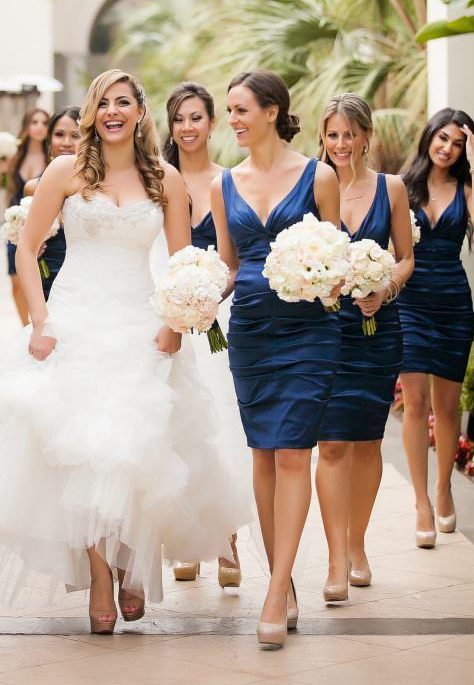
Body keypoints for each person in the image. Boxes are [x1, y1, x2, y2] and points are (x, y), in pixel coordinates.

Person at [0, 70, 238, 634]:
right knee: (83, 451)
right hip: (75, 320)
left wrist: (177, 324)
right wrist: (39, 321)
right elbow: (27, 250)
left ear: (140, 112)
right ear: (90, 112)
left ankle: (131, 560)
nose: (113, 112)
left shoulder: (165, 179)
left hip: (141, 322)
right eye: (103, 102)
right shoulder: (65, 171)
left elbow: (183, 264)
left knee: (133, 448)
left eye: (123, 102)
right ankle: (101, 575)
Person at [211, 69, 341, 649]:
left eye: (241, 110)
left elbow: (334, 255)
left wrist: (334, 281)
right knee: (262, 456)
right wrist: (193, 295)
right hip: (252, 334)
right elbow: (231, 264)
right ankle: (280, 580)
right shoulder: (223, 184)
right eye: (229, 111)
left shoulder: (320, 176)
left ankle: (276, 588)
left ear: (272, 111)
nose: (232, 121)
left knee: (293, 454)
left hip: (310, 331)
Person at [316, 94, 413, 599]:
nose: (340, 144)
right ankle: (335, 558)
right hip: (327, 332)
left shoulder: (391, 188)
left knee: (368, 441)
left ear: (365, 136)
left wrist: (384, 289)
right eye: (332, 135)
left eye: (348, 134)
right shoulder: (313, 185)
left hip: (379, 331)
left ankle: (358, 543)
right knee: (331, 443)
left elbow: (405, 258)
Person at [162, 82, 251, 588]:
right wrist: (176, 305)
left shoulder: (229, 181)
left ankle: (229, 543)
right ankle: (187, 541)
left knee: (221, 427)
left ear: (212, 123)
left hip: (221, 319)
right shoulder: (158, 180)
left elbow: (231, 258)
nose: (188, 127)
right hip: (170, 318)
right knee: (179, 430)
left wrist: (211, 296)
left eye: (196, 117)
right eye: (179, 118)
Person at [398, 109, 474, 546]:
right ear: (429, 137)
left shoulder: (466, 188)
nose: (447, 147)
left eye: (458, 143)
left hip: (451, 304)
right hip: (408, 302)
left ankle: (444, 486)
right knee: (415, 402)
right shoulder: (402, 187)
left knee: (446, 409)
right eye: (442, 138)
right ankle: (422, 502)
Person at [0, 108, 49, 324]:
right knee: (16, 280)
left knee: (41, 278)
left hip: (45, 227)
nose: (39, 126)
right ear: (27, 126)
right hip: (15, 225)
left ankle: (40, 321)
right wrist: (2, 169)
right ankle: (25, 326)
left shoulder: (52, 159)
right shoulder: (14, 158)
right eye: (34, 122)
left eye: (44, 122)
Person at [23, 106, 81, 299]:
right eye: (59, 134)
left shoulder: (98, 188)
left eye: (75, 135)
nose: (66, 142)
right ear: (49, 141)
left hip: (85, 284)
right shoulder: (33, 188)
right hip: (47, 282)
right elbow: (25, 246)